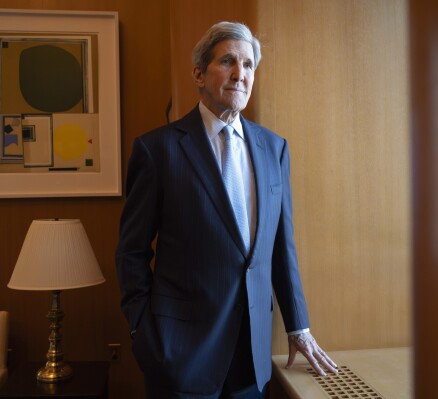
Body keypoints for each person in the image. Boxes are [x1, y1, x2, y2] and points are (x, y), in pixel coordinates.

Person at [116, 21, 338, 399]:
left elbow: (281, 246)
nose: (241, 74)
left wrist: (298, 326)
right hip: (179, 357)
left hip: (251, 359)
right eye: (228, 62)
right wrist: (144, 334)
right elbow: (131, 253)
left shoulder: (274, 148)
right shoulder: (158, 150)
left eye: (249, 65)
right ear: (199, 74)